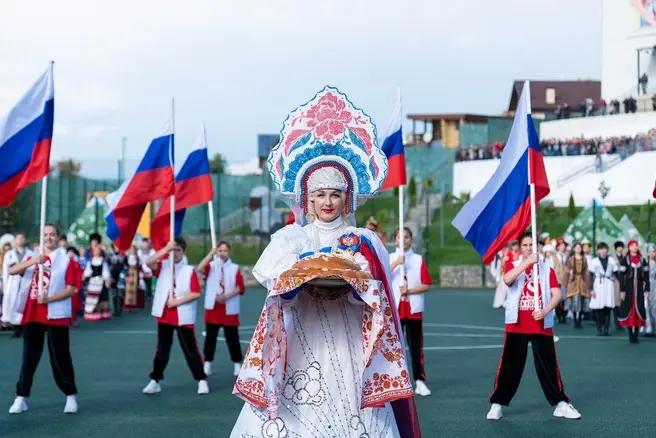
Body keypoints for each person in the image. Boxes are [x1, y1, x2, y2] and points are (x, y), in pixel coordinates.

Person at [230, 87, 420, 437]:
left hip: (348, 335)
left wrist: (352, 278)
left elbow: (377, 292)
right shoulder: (292, 238)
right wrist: (304, 270)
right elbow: (275, 279)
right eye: (320, 195)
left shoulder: (365, 239)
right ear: (308, 199)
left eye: (335, 194)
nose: (327, 201)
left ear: (347, 198)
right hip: (303, 330)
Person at [487, 231, 580, 421]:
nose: (529, 248)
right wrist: (526, 263)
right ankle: (497, 404)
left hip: (541, 324)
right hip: (517, 324)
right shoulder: (512, 265)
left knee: (548, 366)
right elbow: (507, 280)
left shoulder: (547, 269)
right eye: (526, 245)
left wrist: (545, 311)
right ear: (520, 248)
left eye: (532, 245)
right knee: (509, 367)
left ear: (538, 247)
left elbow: (557, 295)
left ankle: (561, 403)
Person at [8, 223, 81, 414]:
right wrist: (33, 262)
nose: (49, 238)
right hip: (33, 314)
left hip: (56, 314)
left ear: (58, 237)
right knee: (29, 358)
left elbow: (72, 288)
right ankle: (21, 397)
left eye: (52, 234)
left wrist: (49, 298)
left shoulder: (66, 259)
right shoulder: (33, 255)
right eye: (45, 234)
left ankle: (70, 396)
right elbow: (12, 270)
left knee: (61, 357)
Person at [142, 237, 209, 395]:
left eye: (178, 250)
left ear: (183, 252)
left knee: (190, 349)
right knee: (162, 350)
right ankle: (155, 380)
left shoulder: (189, 271)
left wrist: (177, 302)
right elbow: (147, 262)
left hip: (182, 316)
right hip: (165, 315)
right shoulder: (163, 266)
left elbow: (195, 293)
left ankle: (201, 379)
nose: (175, 253)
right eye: (173, 250)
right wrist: (166, 249)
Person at [390, 227, 432, 397]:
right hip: (395, 309)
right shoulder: (390, 258)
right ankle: (396, 381)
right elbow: (380, 276)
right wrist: (395, 264)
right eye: (400, 237)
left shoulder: (418, 260)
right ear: (395, 240)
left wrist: (409, 291)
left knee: (415, 347)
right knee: (394, 348)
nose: (403, 240)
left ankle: (419, 381)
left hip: (413, 310)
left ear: (411, 240)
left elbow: (426, 284)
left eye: (406, 237)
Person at [196, 241, 246, 378]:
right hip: (213, 309)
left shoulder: (235, 268)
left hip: (229, 309)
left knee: (232, 338)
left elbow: (240, 287)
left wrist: (226, 296)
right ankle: (207, 364)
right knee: (210, 339)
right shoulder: (211, 266)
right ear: (216, 252)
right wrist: (210, 254)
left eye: (225, 251)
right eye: (220, 250)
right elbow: (199, 269)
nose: (222, 253)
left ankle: (237, 364)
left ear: (229, 252)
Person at [618, 240, 650, 344]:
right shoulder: (625, 260)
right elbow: (621, 276)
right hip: (628, 289)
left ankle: (636, 335)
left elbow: (646, 276)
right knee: (629, 310)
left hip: (639, 289)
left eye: (636, 245)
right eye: (632, 246)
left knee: (638, 310)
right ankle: (630, 335)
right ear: (629, 247)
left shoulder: (642, 259)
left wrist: (647, 289)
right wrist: (622, 290)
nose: (634, 247)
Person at [1, 232, 33, 337]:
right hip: (12, 283)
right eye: (18, 238)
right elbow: (6, 271)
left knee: (23, 305)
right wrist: (5, 285)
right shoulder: (9, 254)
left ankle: (24, 328)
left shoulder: (30, 254)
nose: (20, 240)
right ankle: (16, 329)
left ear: (25, 240)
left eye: (22, 238)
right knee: (12, 305)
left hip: (25, 282)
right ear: (15, 240)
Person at [589, 242, 618, 336]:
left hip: (608, 284)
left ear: (607, 250)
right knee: (598, 307)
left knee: (608, 307)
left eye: (604, 249)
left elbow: (616, 272)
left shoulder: (611, 260)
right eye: (601, 249)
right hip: (598, 284)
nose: (603, 251)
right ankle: (599, 327)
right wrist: (591, 289)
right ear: (598, 250)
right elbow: (590, 275)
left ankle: (606, 328)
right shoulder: (594, 261)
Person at [566, 242, 591, 329]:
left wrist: (587, 282)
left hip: (582, 281)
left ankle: (579, 320)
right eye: (576, 247)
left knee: (581, 300)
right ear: (574, 249)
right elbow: (566, 269)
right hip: (573, 281)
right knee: (574, 301)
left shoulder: (584, 259)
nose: (578, 249)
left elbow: (586, 270)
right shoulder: (570, 259)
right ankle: (575, 321)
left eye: (579, 247)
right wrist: (570, 272)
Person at [82, 245, 111, 321]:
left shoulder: (103, 261)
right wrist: (84, 277)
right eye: (95, 250)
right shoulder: (90, 261)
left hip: (101, 281)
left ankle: (102, 313)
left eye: (98, 250)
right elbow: (87, 272)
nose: (96, 252)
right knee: (93, 297)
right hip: (93, 282)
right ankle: (93, 313)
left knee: (102, 297)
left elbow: (105, 272)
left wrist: (107, 279)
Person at [645, 243, 656, 336]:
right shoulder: (644, 263)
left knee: (654, 308)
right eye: (650, 251)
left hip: (654, 286)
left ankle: (654, 328)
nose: (652, 253)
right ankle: (648, 328)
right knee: (646, 307)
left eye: (653, 251)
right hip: (645, 286)